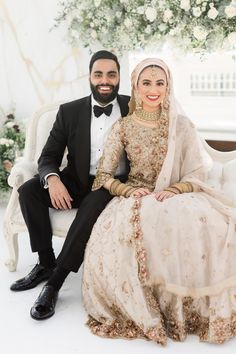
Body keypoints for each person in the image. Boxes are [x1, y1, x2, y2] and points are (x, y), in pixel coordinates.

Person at [82, 58, 236, 345]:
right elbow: (103, 174)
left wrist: (177, 189)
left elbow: (197, 171)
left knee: (211, 225)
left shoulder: (181, 125)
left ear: (168, 87)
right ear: (136, 88)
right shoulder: (123, 127)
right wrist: (127, 191)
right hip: (137, 196)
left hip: (177, 193)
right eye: (147, 83)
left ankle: (189, 309)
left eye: (160, 83)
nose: (154, 89)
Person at [10, 50, 130, 320]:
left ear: (119, 77)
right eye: (98, 74)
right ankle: (44, 263)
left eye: (111, 74)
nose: (105, 80)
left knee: (91, 206)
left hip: (111, 186)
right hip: (76, 180)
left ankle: (54, 284)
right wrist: (53, 180)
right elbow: (48, 156)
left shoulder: (134, 108)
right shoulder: (69, 111)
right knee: (29, 191)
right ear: (89, 77)